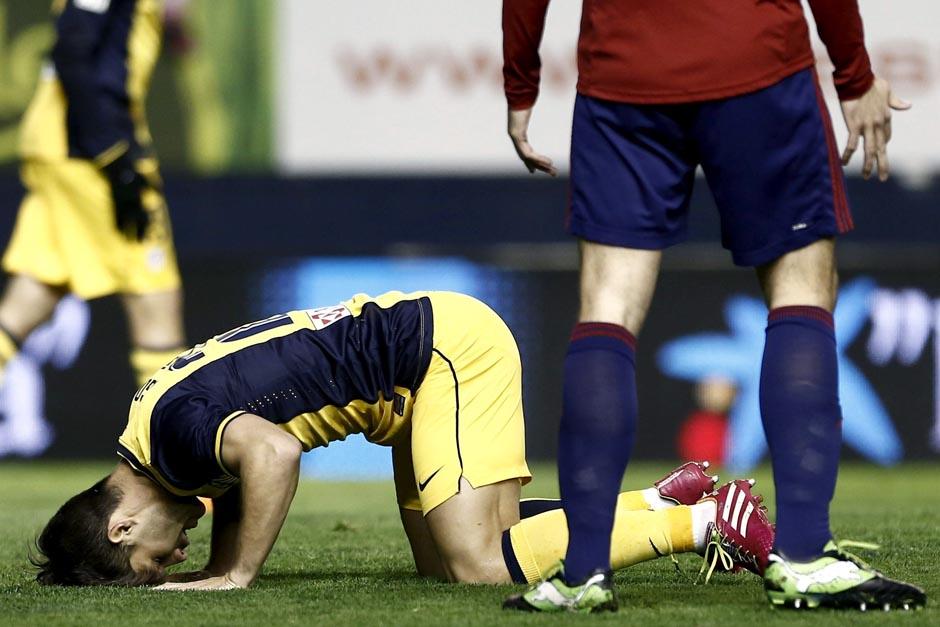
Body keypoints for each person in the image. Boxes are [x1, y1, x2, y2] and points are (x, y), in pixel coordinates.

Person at [502, 0, 926, 613]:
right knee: (801, 285)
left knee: (607, 305)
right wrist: (854, 76)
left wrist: (521, 84)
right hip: (756, 59)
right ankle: (804, 559)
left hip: (625, 75)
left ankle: (582, 574)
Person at [31, 291, 773, 590]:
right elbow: (233, 471)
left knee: (480, 562)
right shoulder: (153, 436)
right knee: (445, 565)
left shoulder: (169, 439)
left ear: (121, 522)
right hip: (413, 378)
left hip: (440, 354)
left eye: (158, 556)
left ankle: (702, 522)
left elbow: (271, 454)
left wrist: (237, 574)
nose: (176, 556)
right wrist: (223, 559)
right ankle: (649, 499)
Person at [0, 0, 185, 396]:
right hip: (91, 154)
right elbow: (73, 44)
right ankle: (174, 448)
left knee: (27, 300)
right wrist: (114, 158)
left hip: (62, 149)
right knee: (157, 308)